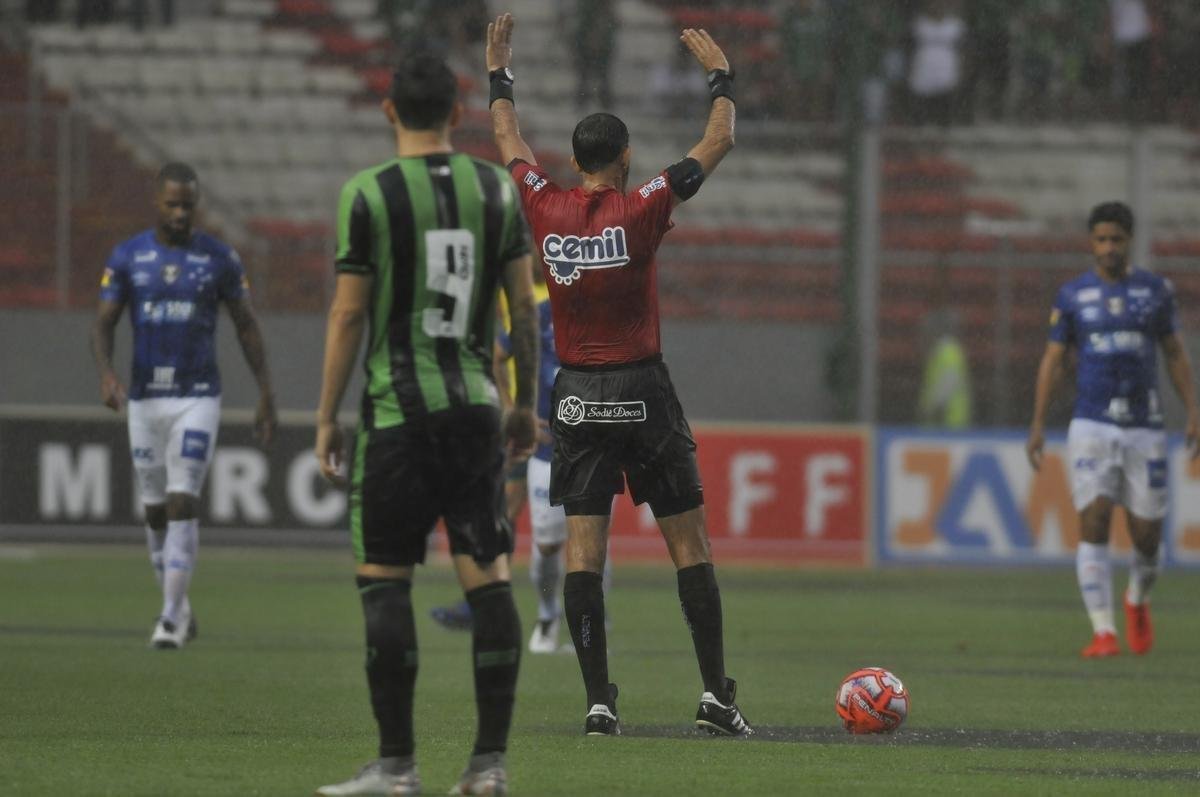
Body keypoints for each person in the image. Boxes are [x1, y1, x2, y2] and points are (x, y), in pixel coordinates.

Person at [485, 13, 751, 736]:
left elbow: (507, 140)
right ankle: (715, 698)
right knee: (689, 547)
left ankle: (599, 701)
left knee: (583, 551)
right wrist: (721, 76)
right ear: (626, 156)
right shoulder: (644, 205)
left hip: (576, 396)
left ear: (575, 162)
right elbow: (719, 139)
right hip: (642, 389)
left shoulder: (543, 203)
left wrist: (499, 74)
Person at [313, 52, 538, 797]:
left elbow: (348, 314)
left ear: (389, 112)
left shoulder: (368, 193)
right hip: (475, 407)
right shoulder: (495, 189)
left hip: (396, 413)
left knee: (385, 583)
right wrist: (522, 402)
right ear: (457, 112)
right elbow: (522, 306)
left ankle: (396, 768)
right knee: (489, 581)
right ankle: (488, 767)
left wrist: (327, 415)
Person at [90, 162, 276, 650]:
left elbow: (246, 324)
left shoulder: (219, 259)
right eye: (172, 204)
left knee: (182, 498)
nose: (179, 213)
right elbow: (104, 322)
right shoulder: (128, 257)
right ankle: (181, 607)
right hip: (144, 398)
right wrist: (106, 373)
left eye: (187, 205)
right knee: (155, 511)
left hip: (197, 396)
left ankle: (170, 617)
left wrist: (266, 392)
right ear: (157, 201)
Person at [1026, 201, 1200, 659]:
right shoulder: (1072, 296)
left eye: (1116, 239)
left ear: (1129, 241)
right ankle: (1103, 631)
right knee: (1095, 518)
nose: (1108, 247)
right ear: (1091, 242)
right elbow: (1053, 360)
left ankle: (1137, 599)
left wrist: (1193, 410)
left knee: (1147, 536)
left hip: (1145, 426)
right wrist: (1038, 423)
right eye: (1101, 239)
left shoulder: (1155, 292)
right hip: (1092, 423)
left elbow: (1175, 353)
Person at [430, 270, 614, 654]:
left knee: (587, 536)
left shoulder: (600, 316)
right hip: (539, 440)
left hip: (587, 445)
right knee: (539, 537)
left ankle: (588, 622)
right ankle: (531, 610)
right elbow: (499, 353)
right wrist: (515, 409)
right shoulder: (538, 310)